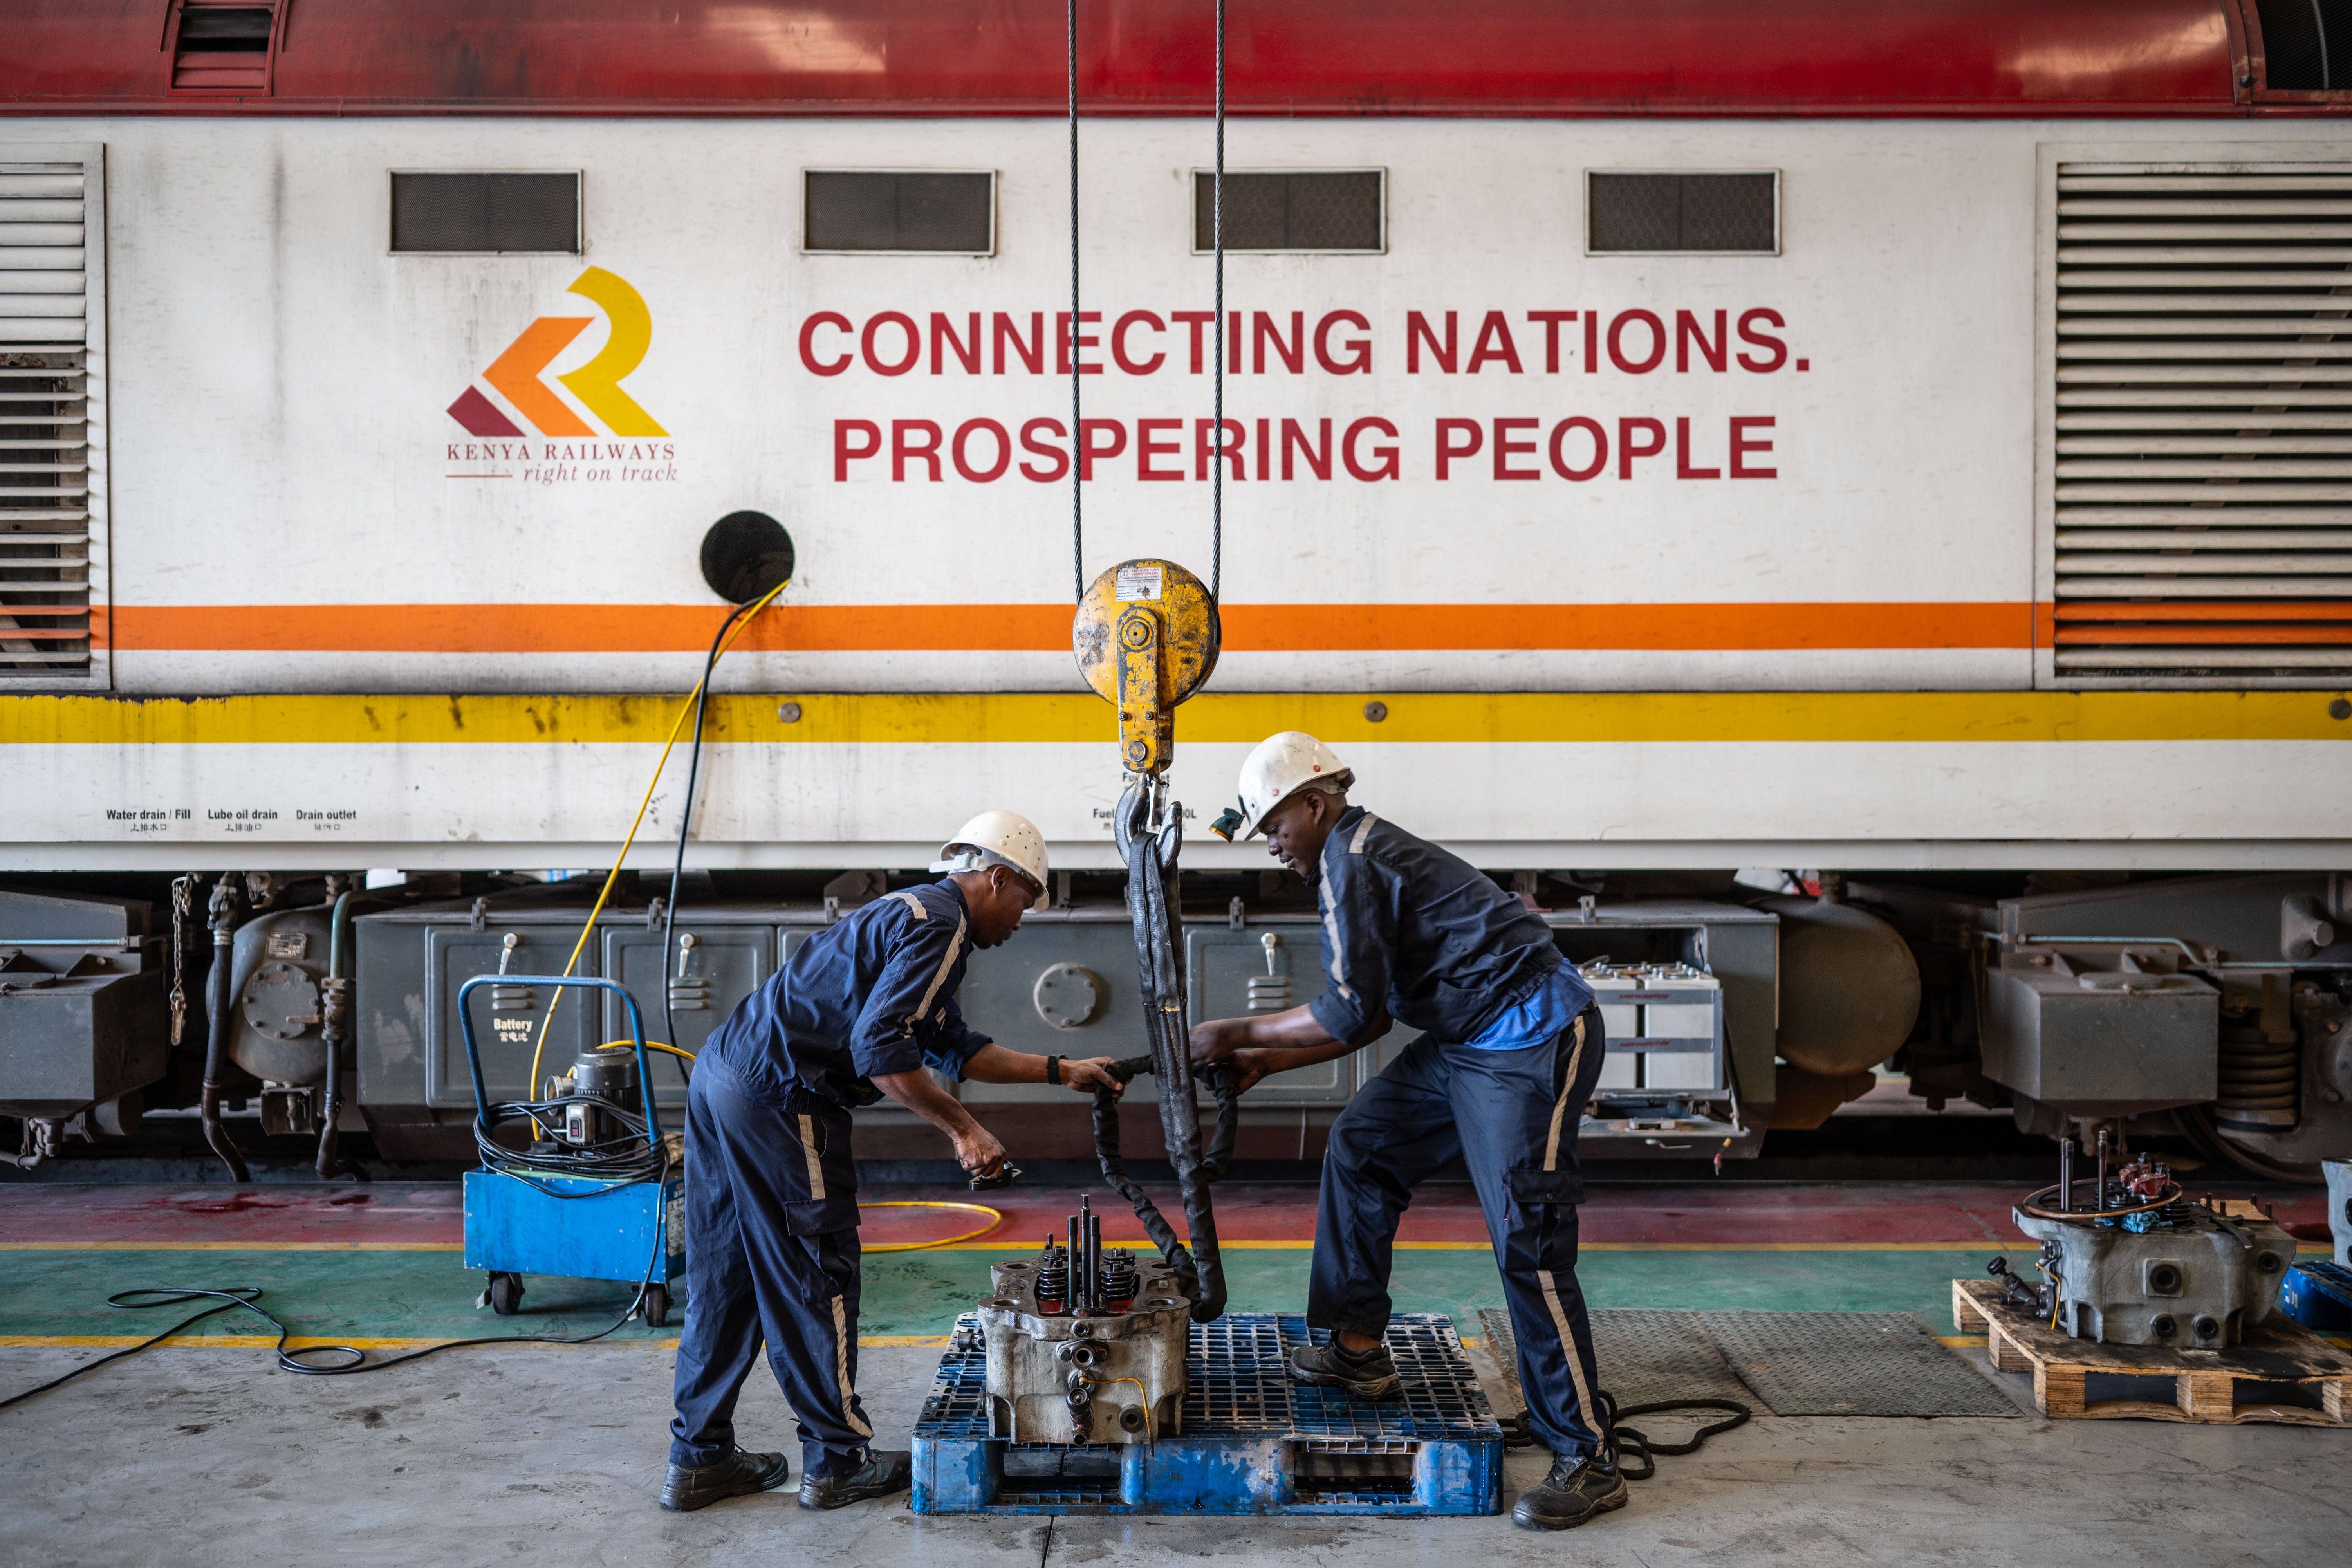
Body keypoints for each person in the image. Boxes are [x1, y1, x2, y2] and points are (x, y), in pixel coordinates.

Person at [1190, 734, 1620, 1531]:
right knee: (1362, 1145)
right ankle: (1356, 1348)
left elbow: (1352, 1012)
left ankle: (1587, 1454)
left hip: (1530, 1034)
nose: (1272, 845)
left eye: (1276, 826)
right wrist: (1260, 1062)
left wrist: (1235, 1030)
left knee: (1527, 1241)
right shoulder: (1348, 858)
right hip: (1466, 1039)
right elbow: (1373, 1012)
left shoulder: (1355, 859)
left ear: (1314, 803)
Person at [661, 810, 1124, 1513]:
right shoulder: (944, 924)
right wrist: (964, 1130)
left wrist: (1062, 1069)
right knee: (818, 1273)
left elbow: (954, 1046)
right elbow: (882, 1052)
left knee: (726, 1276)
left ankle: (698, 1460)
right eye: (1026, 900)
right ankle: (838, 1462)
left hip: (724, 1076)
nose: (1024, 919)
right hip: (785, 1096)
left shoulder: (912, 911)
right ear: (996, 878)